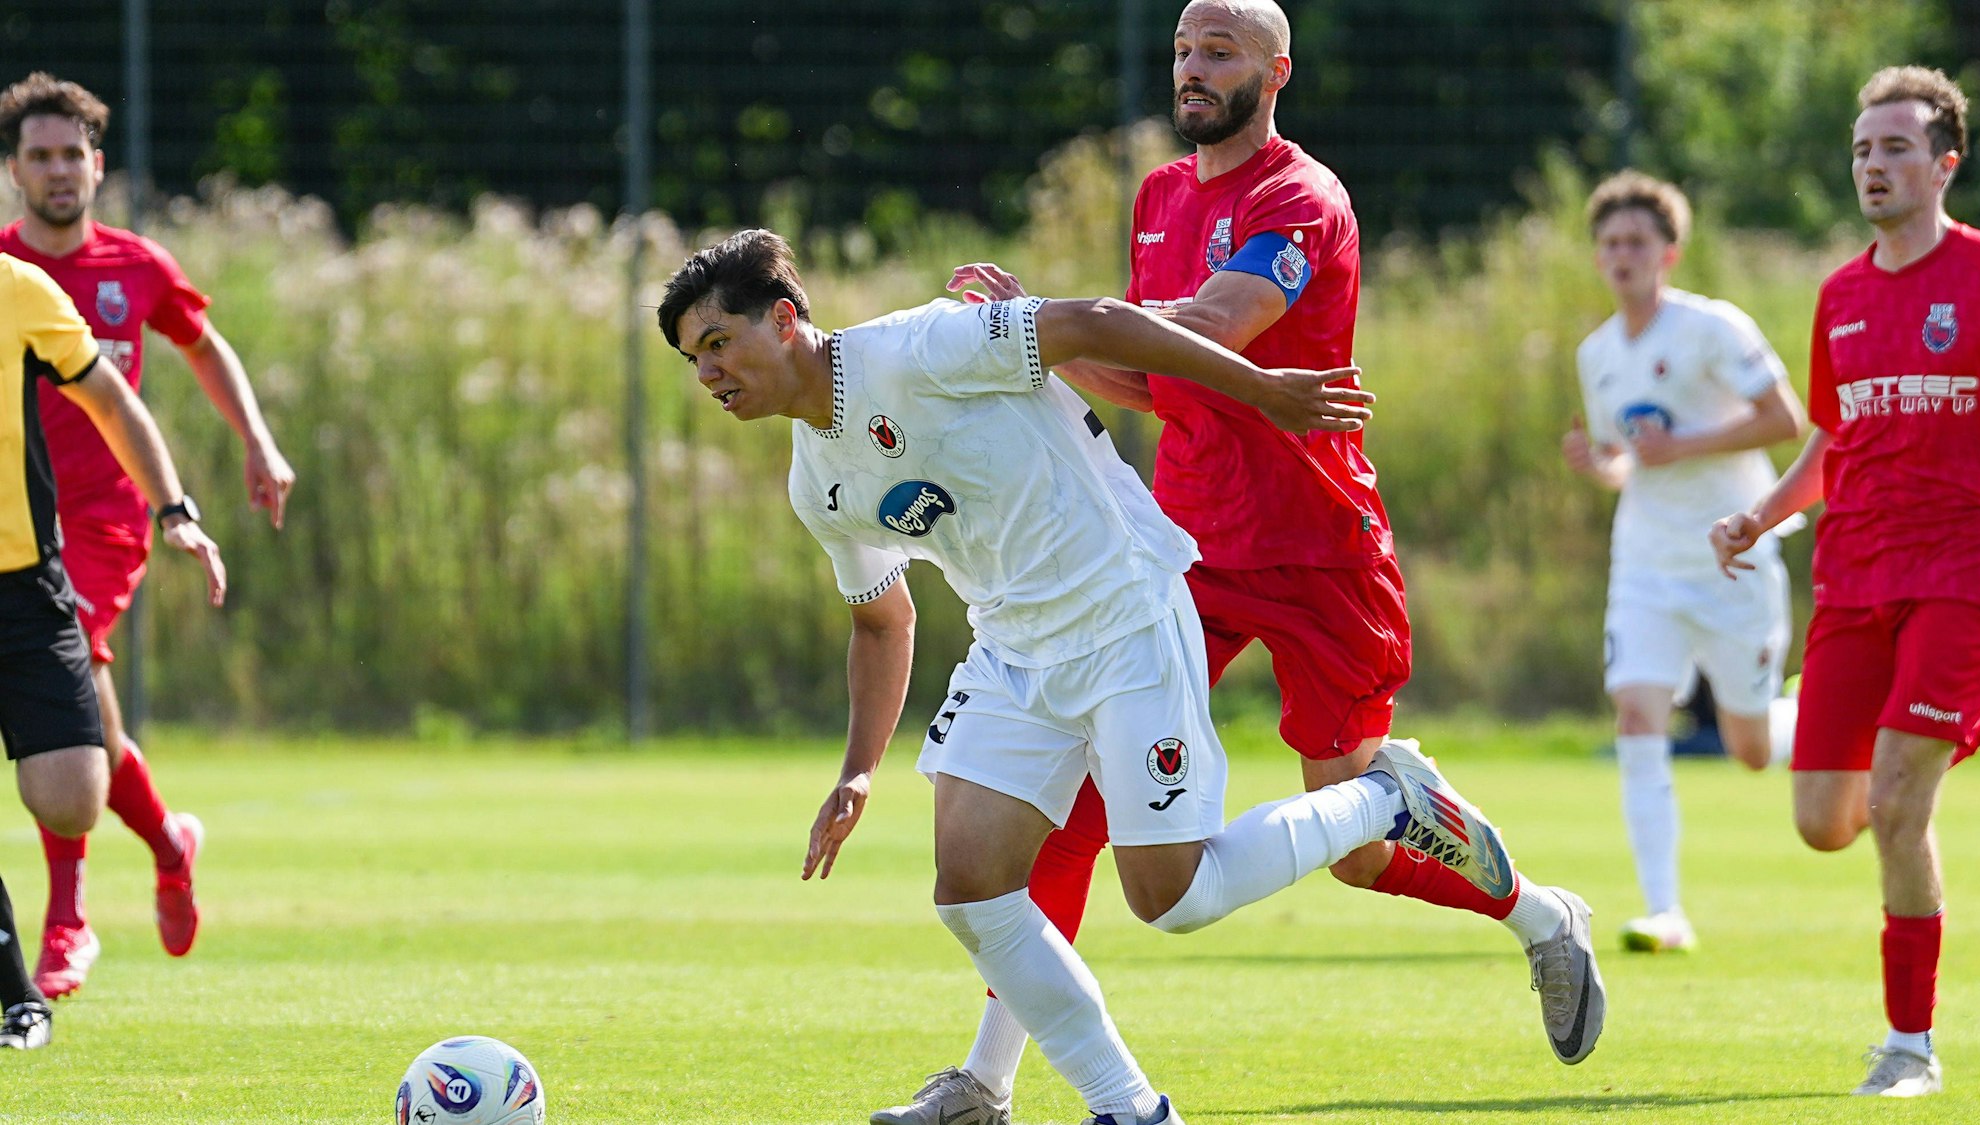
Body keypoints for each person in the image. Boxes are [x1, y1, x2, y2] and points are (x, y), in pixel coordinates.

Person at [659, 228, 1594, 1125]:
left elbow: (1098, 321)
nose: (708, 373)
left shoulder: (917, 347)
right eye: (694, 358)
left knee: (1172, 898)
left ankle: (1385, 800)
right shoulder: (814, 483)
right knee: (971, 888)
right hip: (1013, 649)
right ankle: (1130, 1107)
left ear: (785, 318)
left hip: (1124, 612)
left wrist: (1262, 390)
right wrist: (858, 770)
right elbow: (881, 619)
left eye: (719, 341)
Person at [886, 3, 1605, 1119]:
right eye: (1183, 48)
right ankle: (987, 1079)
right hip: (1181, 549)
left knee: (1358, 844)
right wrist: (1042, 340)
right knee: (1073, 804)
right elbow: (1147, 375)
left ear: (1276, 71)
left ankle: (1543, 917)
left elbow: (1213, 328)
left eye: (1218, 51)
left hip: (1320, 551)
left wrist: (1059, 327)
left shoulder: (1299, 198)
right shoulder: (1159, 196)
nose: (1192, 67)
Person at [1711, 66, 1980, 1098]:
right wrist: (1757, 515)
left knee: (1894, 804)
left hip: (1964, 575)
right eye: (1861, 150)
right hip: (1853, 580)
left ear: (1943, 164)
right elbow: (1832, 443)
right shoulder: (1838, 295)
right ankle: (1960, 730)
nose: (1873, 166)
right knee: (1824, 820)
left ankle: (1909, 1047)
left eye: (1895, 149)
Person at [0, 72, 294, 998]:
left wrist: (256, 440)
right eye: (39, 155)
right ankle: (169, 840)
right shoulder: (3, 273)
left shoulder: (136, 266)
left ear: (97, 165)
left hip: (106, 519)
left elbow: (203, 345)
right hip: (20, 524)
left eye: (72, 154)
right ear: (14, 170)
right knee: (90, 719)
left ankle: (67, 922)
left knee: (73, 678)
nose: (58, 170)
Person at [1561, 170, 1805, 954]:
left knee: (1749, 748)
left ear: (1669, 252)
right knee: (1638, 712)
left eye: (1637, 241)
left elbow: (1787, 419)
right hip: (1645, 563)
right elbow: (1629, 460)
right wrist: (1601, 467)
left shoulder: (1713, 327)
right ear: (1597, 256)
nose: (1622, 254)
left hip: (1732, 552)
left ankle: (1818, 713)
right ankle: (1664, 909)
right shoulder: (1597, 352)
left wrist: (1684, 445)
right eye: (1610, 242)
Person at [0, 251, 228, 1051]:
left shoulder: (20, 289)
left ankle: (163, 844)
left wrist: (176, 511)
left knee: (71, 794)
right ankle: (31, 978)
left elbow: (114, 395)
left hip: (34, 577)